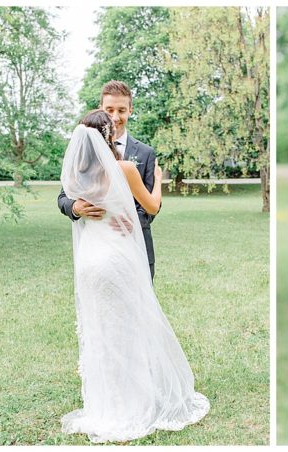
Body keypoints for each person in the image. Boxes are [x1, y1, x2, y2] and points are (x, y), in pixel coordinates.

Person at [60, 111, 209, 443]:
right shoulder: (124, 168)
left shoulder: (77, 174)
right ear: (109, 136)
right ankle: (132, 406)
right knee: (127, 330)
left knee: (101, 332)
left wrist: (80, 208)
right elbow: (152, 206)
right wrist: (157, 179)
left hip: (89, 261)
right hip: (116, 259)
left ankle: (106, 407)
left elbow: (71, 202)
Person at [58, 80, 160, 279]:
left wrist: (133, 222)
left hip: (135, 248)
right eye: (109, 109)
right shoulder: (82, 160)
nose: (115, 117)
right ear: (101, 109)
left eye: (121, 110)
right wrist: (75, 207)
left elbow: (150, 208)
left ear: (130, 110)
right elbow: (63, 197)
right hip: (96, 247)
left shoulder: (146, 153)